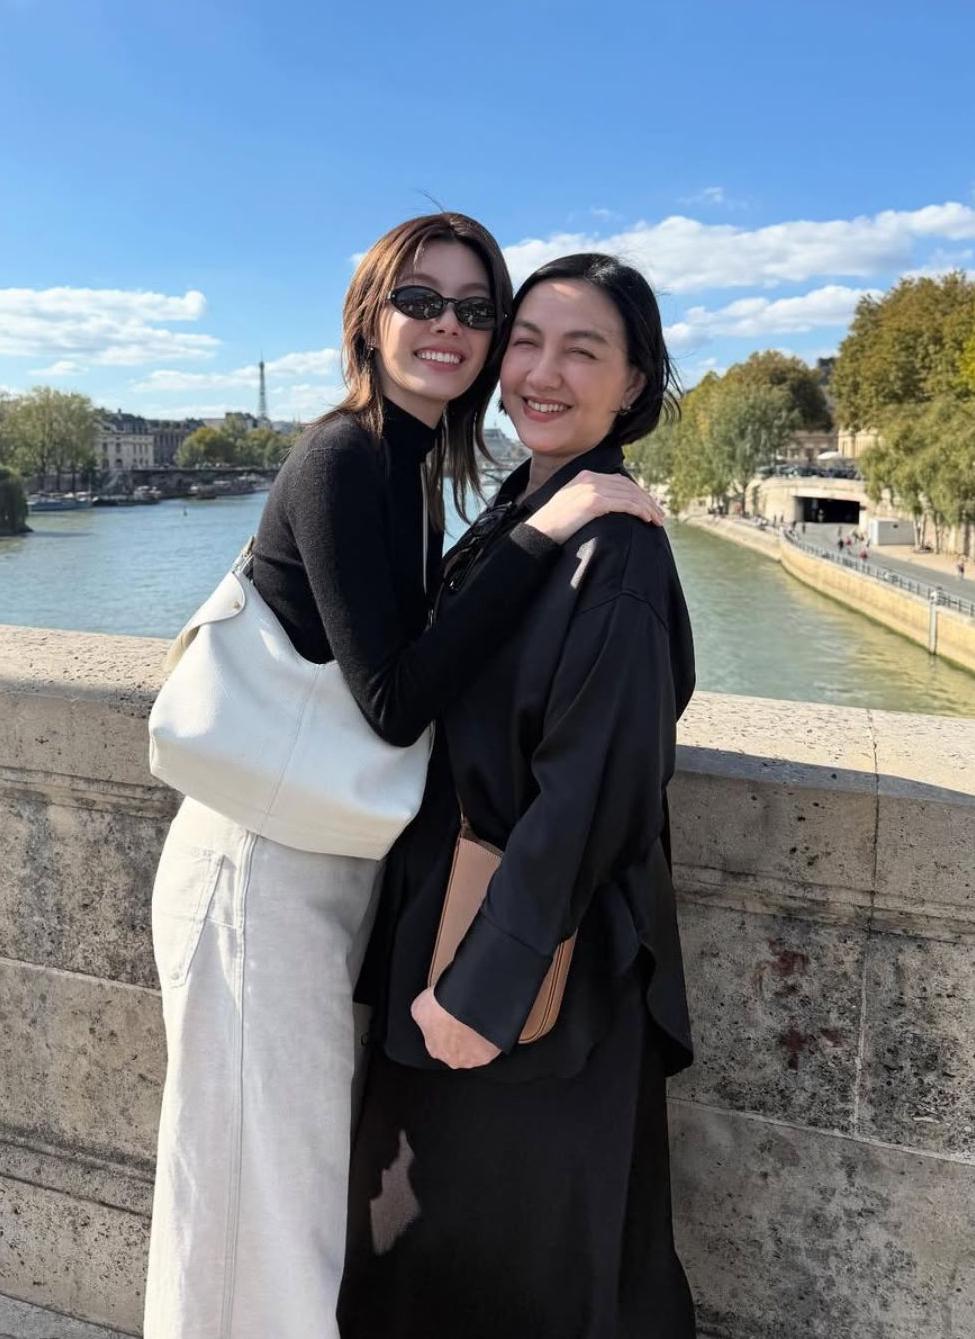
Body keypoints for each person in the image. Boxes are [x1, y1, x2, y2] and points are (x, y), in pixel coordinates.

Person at [143, 216, 663, 1339]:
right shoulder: (346, 456)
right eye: (420, 301)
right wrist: (552, 521)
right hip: (262, 868)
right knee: (257, 1211)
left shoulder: (417, 471)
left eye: (476, 310)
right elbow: (394, 700)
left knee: (282, 1201)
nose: (449, 327)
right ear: (368, 316)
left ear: (632, 384)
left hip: (320, 866)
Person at [340, 252, 697, 1339]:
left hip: (531, 978)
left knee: (510, 1272)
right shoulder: (528, 512)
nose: (541, 373)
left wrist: (483, 994)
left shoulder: (618, 556)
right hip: (465, 938)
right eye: (526, 342)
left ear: (633, 386)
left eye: (582, 351)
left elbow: (594, 796)